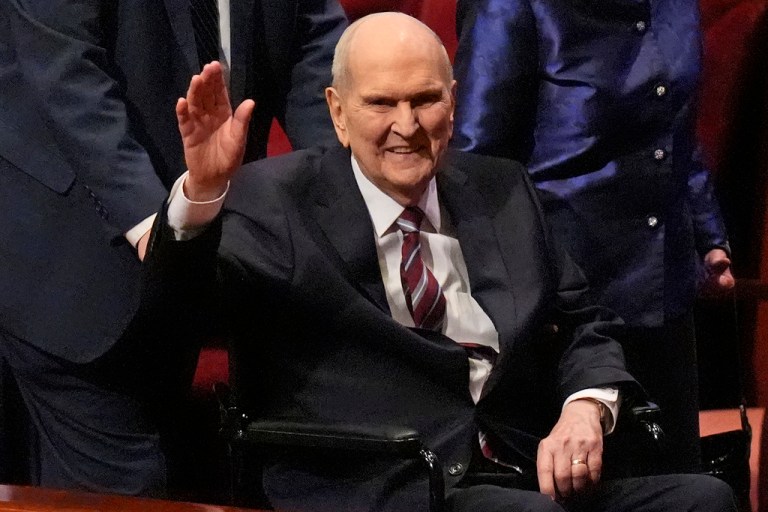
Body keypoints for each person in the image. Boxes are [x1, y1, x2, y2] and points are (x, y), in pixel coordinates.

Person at [145, 12, 737, 511]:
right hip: (380, 478)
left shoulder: (501, 189)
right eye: (381, 103)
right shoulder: (278, 200)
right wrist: (201, 196)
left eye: (425, 99)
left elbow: (581, 319)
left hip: (518, 463)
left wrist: (586, 409)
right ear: (338, 113)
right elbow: (180, 313)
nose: (407, 125)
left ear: (452, 105)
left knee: (704, 499)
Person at [0, 0, 346, 496]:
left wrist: (346, 200)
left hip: (203, 232)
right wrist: (160, 233)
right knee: (125, 484)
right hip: (73, 253)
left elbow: (317, 50)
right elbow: (71, 82)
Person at [451, 0, 735, 474]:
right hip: (563, 305)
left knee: (679, 487)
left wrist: (710, 235)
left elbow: (674, 125)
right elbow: (478, 163)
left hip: (665, 287)